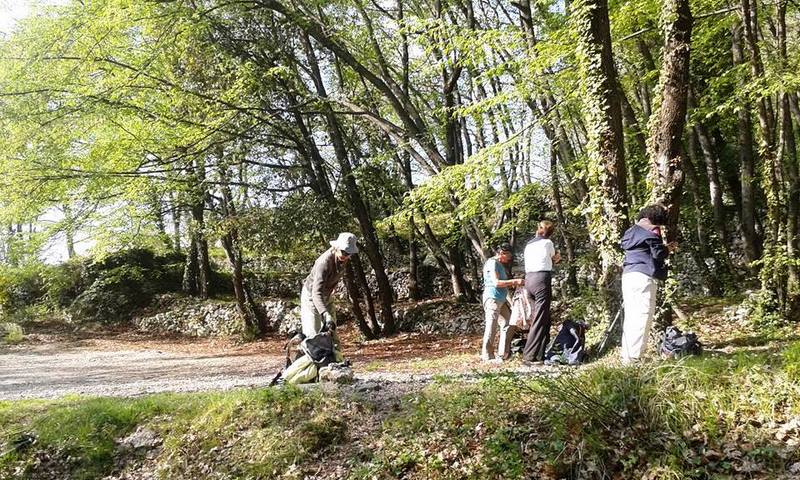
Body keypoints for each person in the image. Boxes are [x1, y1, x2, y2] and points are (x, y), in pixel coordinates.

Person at [619, 204, 677, 364]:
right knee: (643, 315)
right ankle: (634, 359)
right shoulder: (652, 230)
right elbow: (658, 254)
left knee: (631, 316)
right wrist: (668, 249)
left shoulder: (630, 231)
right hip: (643, 276)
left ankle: (627, 355)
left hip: (628, 275)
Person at [300, 232, 358, 338]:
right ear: (336, 247)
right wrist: (325, 313)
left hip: (326, 295)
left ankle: (334, 349)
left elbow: (335, 275)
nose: (346, 255)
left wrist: (332, 289)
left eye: (349, 253)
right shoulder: (324, 263)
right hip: (312, 296)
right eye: (344, 252)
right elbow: (316, 293)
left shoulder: (342, 259)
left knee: (331, 331)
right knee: (313, 335)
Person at [522, 220, 561, 364]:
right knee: (540, 318)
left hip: (529, 280)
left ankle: (540, 353)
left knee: (544, 317)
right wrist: (558, 257)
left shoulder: (529, 244)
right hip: (541, 279)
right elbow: (555, 258)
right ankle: (529, 355)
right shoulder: (547, 243)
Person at [481, 243, 525, 362]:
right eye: (508, 255)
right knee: (491, 325)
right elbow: (496, 283)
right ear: (502, 253)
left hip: (501, 299)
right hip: (492, 298)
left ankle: (503, 354)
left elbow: (504, 288)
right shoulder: (492, 263)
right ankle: (487, 355)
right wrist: (515, 281)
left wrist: (511, 303)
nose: (509, 258)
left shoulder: (500, 265)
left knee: (509, 323)